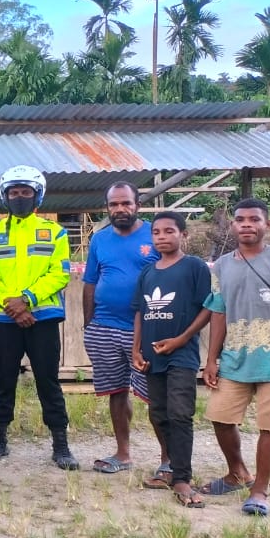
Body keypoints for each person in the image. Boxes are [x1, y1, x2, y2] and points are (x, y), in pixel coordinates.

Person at [0, 165, 79, 470]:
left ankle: (60, 444)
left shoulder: (55, 232)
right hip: (6, 319)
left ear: (38, 195)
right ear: (6, 197)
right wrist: (13, 306)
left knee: (48, 381)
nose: (19, 197)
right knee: (4, 380)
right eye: (13, 192)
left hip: (42, 318)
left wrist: (27, 301)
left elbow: (60, 273)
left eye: (26, 192)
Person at [200, 198, 270, 517]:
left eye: (254, 219)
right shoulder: (222, 265)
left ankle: (260, 490)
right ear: (232, 225)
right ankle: (237, 472)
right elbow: (218, 312)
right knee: (220, 418)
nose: (247, 224)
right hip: (235, 358)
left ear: (268, 225)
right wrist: (211, 359)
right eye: (240, 219)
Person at [131, 212, 211, 508]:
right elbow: (139, 311)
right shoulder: (148, 272)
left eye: (169, 231)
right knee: (158, 414)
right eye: (156, 233)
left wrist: (181, 339)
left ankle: (182, 478)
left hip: (182, 355)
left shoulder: (194, 267)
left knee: (180, 413)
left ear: (184, 235)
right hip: (152, 357)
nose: (162, 237)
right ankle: (169, 468)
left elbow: (207, 308)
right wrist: (136, 350)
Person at [83, 182, 160, 475]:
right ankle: (123, 453)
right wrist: (88, 325)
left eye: (126, 203)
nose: (120, 209)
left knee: (155, 395)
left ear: (137, 204)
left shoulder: (156, 232)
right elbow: (90, 282)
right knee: (116, 392)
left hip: (145, 330)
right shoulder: (100, 239)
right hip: (104, 327)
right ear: (107, 207)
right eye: (114, 204)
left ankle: (167, 459)